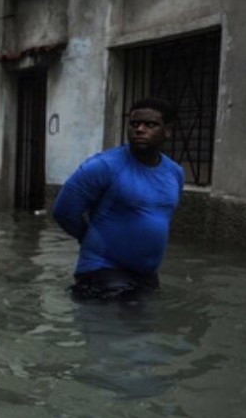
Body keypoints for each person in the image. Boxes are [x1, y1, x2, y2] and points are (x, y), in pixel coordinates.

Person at [52, 98, 184, 301]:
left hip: (146, 274)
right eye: (134, 124)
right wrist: (87, 237)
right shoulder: (103, 166)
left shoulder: (175, 172)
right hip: (103, 270)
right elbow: (63, 211)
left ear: (167, 131)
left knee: (146, 328)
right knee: (119, 330)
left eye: (150, 125)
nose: (139, 129)